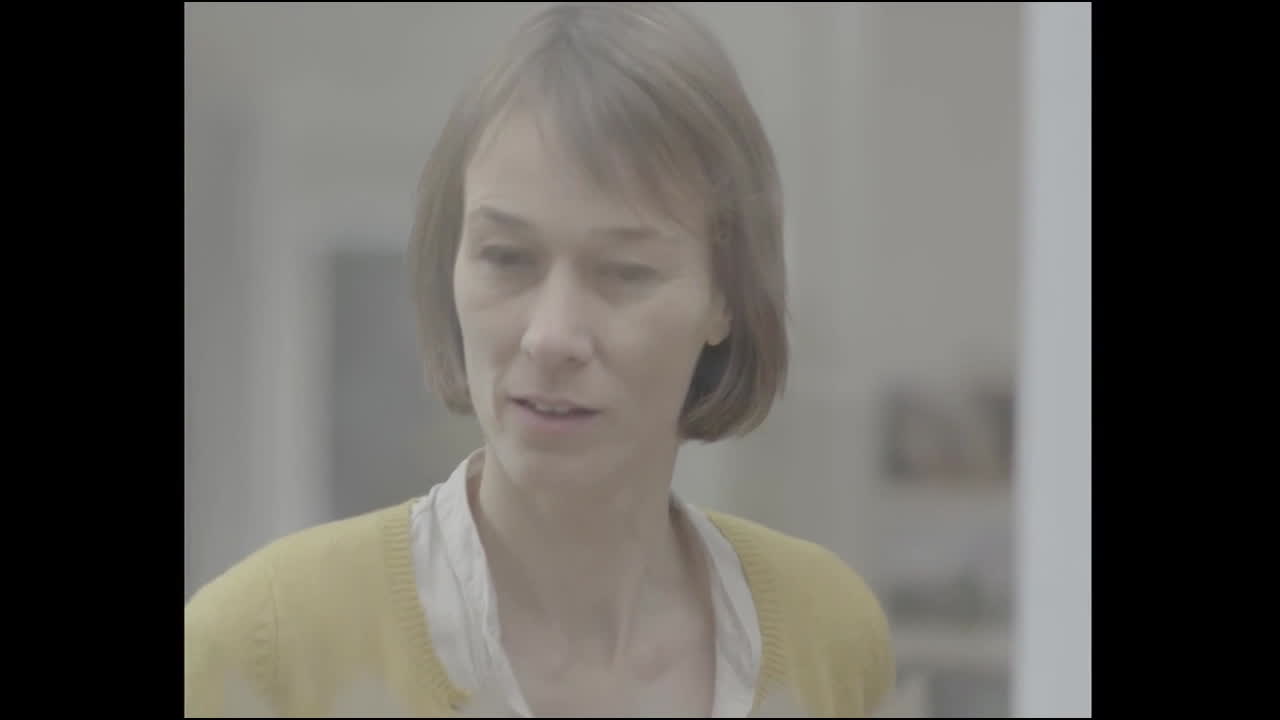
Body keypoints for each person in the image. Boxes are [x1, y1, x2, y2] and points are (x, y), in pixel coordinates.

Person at [184, 3, 893, 717]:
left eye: (625, 271)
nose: (551, 336)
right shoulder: (263, 649)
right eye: (507, 258)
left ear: (725, 300)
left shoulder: (827, 636)